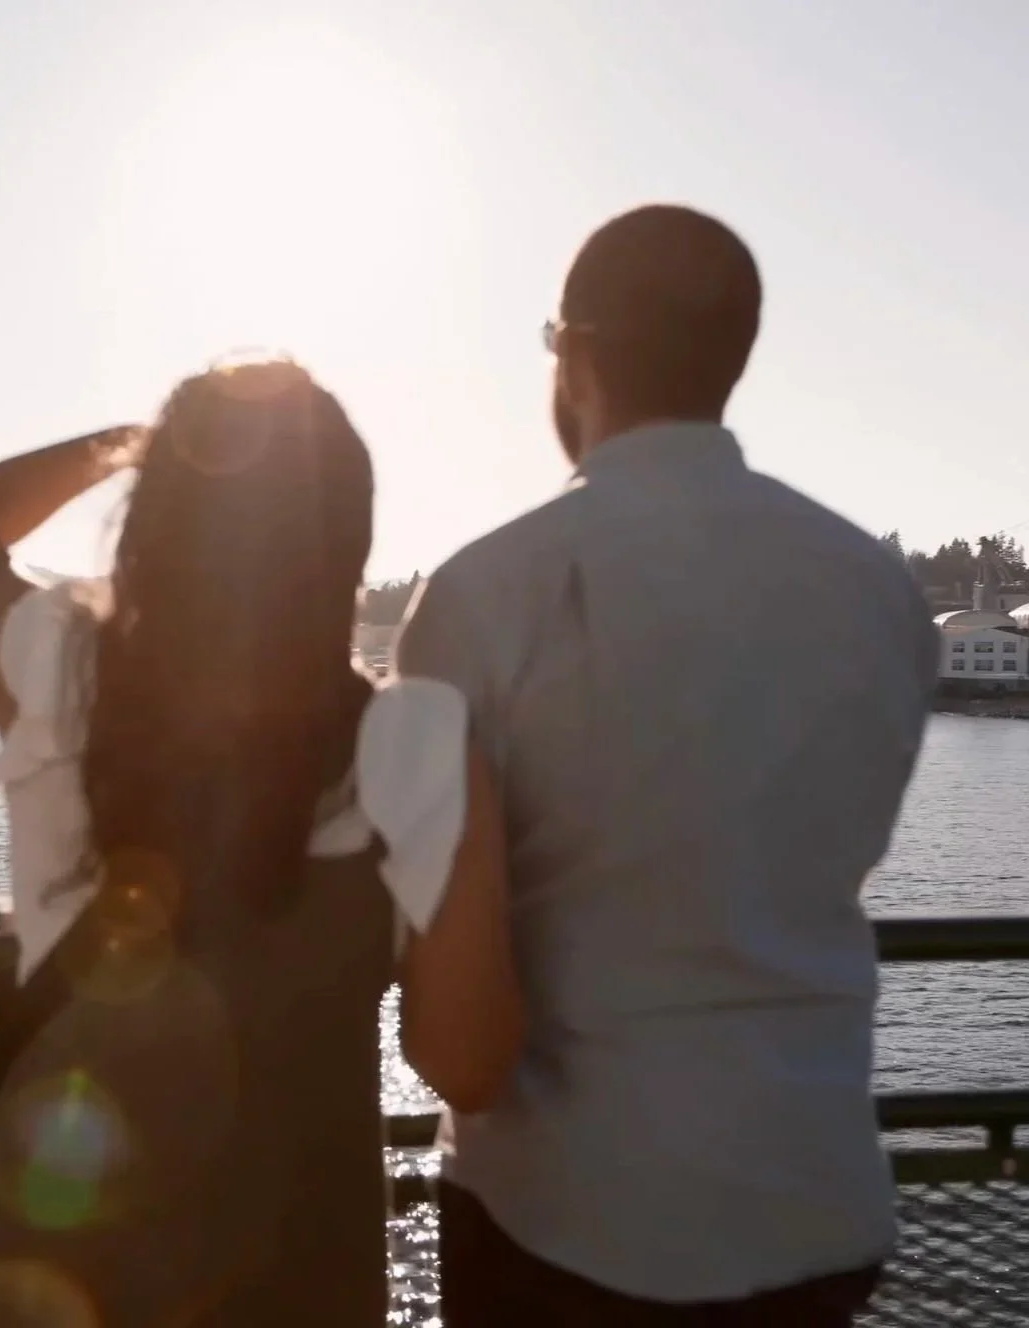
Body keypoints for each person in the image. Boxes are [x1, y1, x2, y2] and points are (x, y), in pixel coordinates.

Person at [395, 205, 938, 1326]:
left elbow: (458, 1044)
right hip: (811, 1204)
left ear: (573, 354)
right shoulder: (878, 593)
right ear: (735, 356)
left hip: (565, 1220)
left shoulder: (479, 597)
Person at [0, 356, 523, 1327]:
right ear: (348, 546)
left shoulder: (62, 670)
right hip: (297, 1284)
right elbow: (466, 1063)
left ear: (154, 527)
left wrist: (136, 445)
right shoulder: (415, 744)